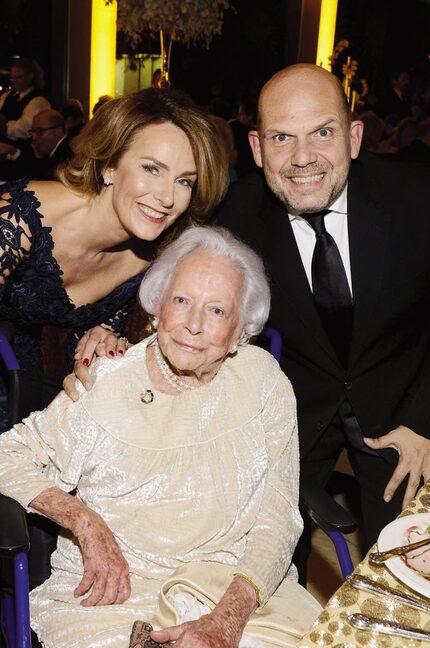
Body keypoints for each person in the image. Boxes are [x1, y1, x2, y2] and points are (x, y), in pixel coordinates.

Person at [0, 226, 321, 648]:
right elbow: (8, 455)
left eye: (217, 311)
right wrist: (83, 520)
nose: (192, 325)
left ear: (242, 329)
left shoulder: (263, 380)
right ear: (157, 306)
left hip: (236, 595)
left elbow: (279, 517)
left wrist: (227, 619)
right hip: (116, 595)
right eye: (182, 300)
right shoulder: (105, 379)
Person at [214, 63, 430, 578]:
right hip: (296, 418)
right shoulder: (233, 221)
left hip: (405, 409)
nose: (303, 158)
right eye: (282, 137)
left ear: (354, 137)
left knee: (406, 575)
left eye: (323, 132)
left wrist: (424, 420)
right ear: (258, 148)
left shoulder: (417, 200)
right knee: (260, 572)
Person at [0, 58, 50, 144]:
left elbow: (26, 129)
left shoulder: (38, 101)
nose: (15, 81)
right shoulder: (7, 95)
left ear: (30, 76)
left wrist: (3, 127)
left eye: (19, 77)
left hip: (22, 152)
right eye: (12, 78)